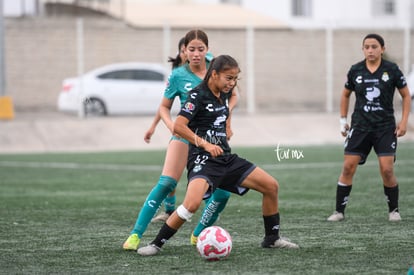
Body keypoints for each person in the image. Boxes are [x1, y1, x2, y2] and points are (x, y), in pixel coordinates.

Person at [137, 55, 299, 256]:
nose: (231, 83)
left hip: (225, 158)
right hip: (202, 160)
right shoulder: (197, 95)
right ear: (214, 74)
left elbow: (227, 106)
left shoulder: (223, 93)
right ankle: (156, 244)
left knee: (271, 186)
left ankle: (271, 239)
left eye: (235, 79)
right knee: (191, 205)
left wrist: (227, 126)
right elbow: (179, 126)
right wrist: (204, 144)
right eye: (228, 78)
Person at [123, 30, 236, 251]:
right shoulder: (178, 76)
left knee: (222, 192)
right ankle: (136, 235)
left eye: (200, 49)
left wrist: (227, 121)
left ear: (207, 50)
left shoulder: (216, 67)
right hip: (185, 136)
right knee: (166, 183)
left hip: (213, 139)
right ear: (183, 51)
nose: (195, 54)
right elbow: (164, 106)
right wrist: (165, 124)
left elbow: (233, 94)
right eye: (190, 49)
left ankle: (198, 235)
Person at [327, 33, 411, 222]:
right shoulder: (355, 70)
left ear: (382, 48)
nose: (370, 50)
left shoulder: (392, 70)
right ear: (363, 49)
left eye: (374, 46)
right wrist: (342, 121)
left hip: (384, 128)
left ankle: (394, 211)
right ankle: (339, 211)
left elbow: (406, 95)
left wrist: (404, 122)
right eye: (367, 47)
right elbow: (345, 95)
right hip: (360, 127)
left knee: (387, 169)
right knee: (348, 167)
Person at [144, 37, 187, 222]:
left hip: (207, 131)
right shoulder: (178, 73)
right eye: (185, 50)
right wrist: (154, 126)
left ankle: (206, 213)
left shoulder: (209, 66)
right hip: (183, 130)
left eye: (196, 49)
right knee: (171, 177)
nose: (190, 54)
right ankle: (170, 211)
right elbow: (165, 105)